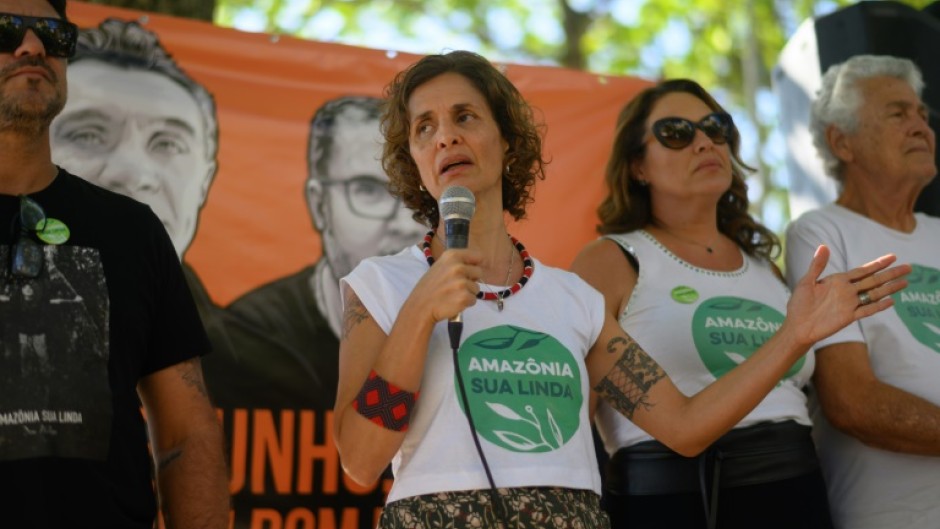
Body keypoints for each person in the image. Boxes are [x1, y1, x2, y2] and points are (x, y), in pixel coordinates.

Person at [332, 50, 908, 529]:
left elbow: (683, 428)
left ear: (507, 141)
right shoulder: (383, 285)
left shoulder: (571, 298)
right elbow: (360, 462)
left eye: (465, 116)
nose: (445, 137)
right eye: (424, 127)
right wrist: (419, 313)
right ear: (412, 157)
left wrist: (794, 334)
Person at [0, 0, 228, 527]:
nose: (32, 46)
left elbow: (185, 433)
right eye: (6, 30)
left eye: (53, 35)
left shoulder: (133, 232)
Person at [569, 78, 832, 529]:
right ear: (638, 167)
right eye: (676, 132)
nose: (704, 143)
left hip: (798, 495)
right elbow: (573, 423)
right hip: (671, 506)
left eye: (716, 128)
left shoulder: (765, 268)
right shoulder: (609, 261)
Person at [206, 95, 424, 527]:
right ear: (319, 205)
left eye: (413, 192)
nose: (402, 221)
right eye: (368, 190)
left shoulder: (469, 322)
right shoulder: (246, 337)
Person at [785, 54, 940, 529]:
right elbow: (853, 402)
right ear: (842, 142)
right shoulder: (821, 234)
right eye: (897, 113)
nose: (921, 126)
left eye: (922, 114)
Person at [49, 17, 223, 337]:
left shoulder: (258, 364)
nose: (132, 173)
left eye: (167, 143)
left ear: (204, 182)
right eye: (88, 135)